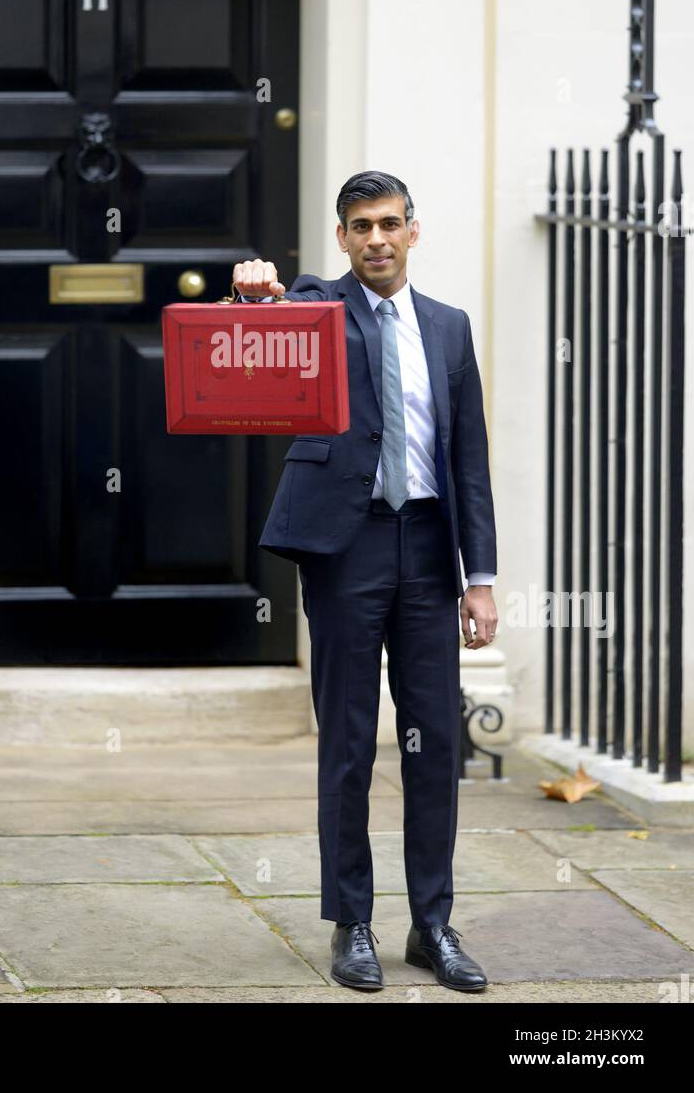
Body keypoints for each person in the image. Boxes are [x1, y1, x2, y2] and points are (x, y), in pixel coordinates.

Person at [232, 170, 497, 993]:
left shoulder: (448, 329)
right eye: (359, 226)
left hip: (425, 551)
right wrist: (254, 298)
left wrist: (478, 580)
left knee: (434, 744)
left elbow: (470, 463)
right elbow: (265, 334)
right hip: (346, 552)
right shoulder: (317, 308)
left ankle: (431, 926)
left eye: (388, 223)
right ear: (342, 238)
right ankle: (351, 922)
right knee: (347, 742)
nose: (375, 238)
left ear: (413, 230)